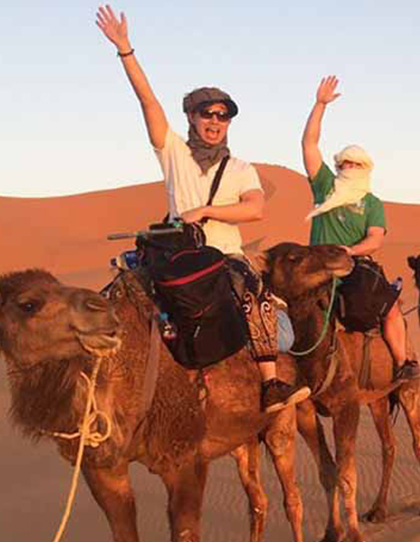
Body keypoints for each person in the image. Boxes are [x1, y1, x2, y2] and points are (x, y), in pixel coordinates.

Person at [95, 5, 309, 412]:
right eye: (206, 114)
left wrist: (207, 211)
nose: (214, 121)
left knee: (256, 300)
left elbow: (255, 209)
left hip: (223, 256)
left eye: (222, 116)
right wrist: (126, 51)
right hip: (176, 256)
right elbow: (148, 103)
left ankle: (270, 386)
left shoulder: (242, 168)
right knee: (119, 300)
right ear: (191, 118)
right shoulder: (173, 152)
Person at [301, 75, 420, 381]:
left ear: (365, 169)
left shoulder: (372, 203)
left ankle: (404, 363)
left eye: (355, 164)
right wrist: (319, 105)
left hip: (353, 267)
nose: (349, 168)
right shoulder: (325, 187)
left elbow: (375, 239)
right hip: (317, 266)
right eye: (344, 163)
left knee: (390, 307)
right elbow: (309, 144)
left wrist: (350, 251)